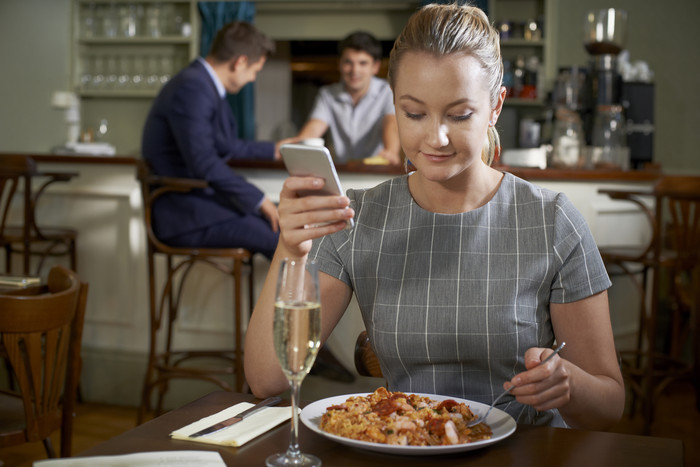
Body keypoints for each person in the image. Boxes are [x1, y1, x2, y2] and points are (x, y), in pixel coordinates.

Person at [245, 3, 625, 430]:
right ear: (394, 105)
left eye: (459, 115)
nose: (436, 137)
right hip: (403, 445)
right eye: (413, 113)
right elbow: (266, 379)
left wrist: (568, 383)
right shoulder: (358, 215)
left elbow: (610, 405)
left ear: (496, 106)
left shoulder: (552, 220)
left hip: (524, 452)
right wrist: (289, 248)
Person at [142, 21, 297, 259]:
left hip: (196, 205)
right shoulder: (193, 87)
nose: (253, 79)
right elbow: (203, 161)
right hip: (183, 215)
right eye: (255, 71)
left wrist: (273, 150)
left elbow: (223, 144)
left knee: (284, 231)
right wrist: (258, 199)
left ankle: (287, 297)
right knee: (282, 238)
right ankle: (295, 298)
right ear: (240, 62)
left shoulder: (202, 84)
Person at [297, 31, 401, 165]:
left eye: (362, 63)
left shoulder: (388, 92)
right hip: (342, 173)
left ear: (375, 67)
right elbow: (313, 128)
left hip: (376, 172)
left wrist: (391, 152)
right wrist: (297, 146)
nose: (354, 70)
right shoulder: (327, 94)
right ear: (339, 64)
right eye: (348, 62)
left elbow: (391, 124)